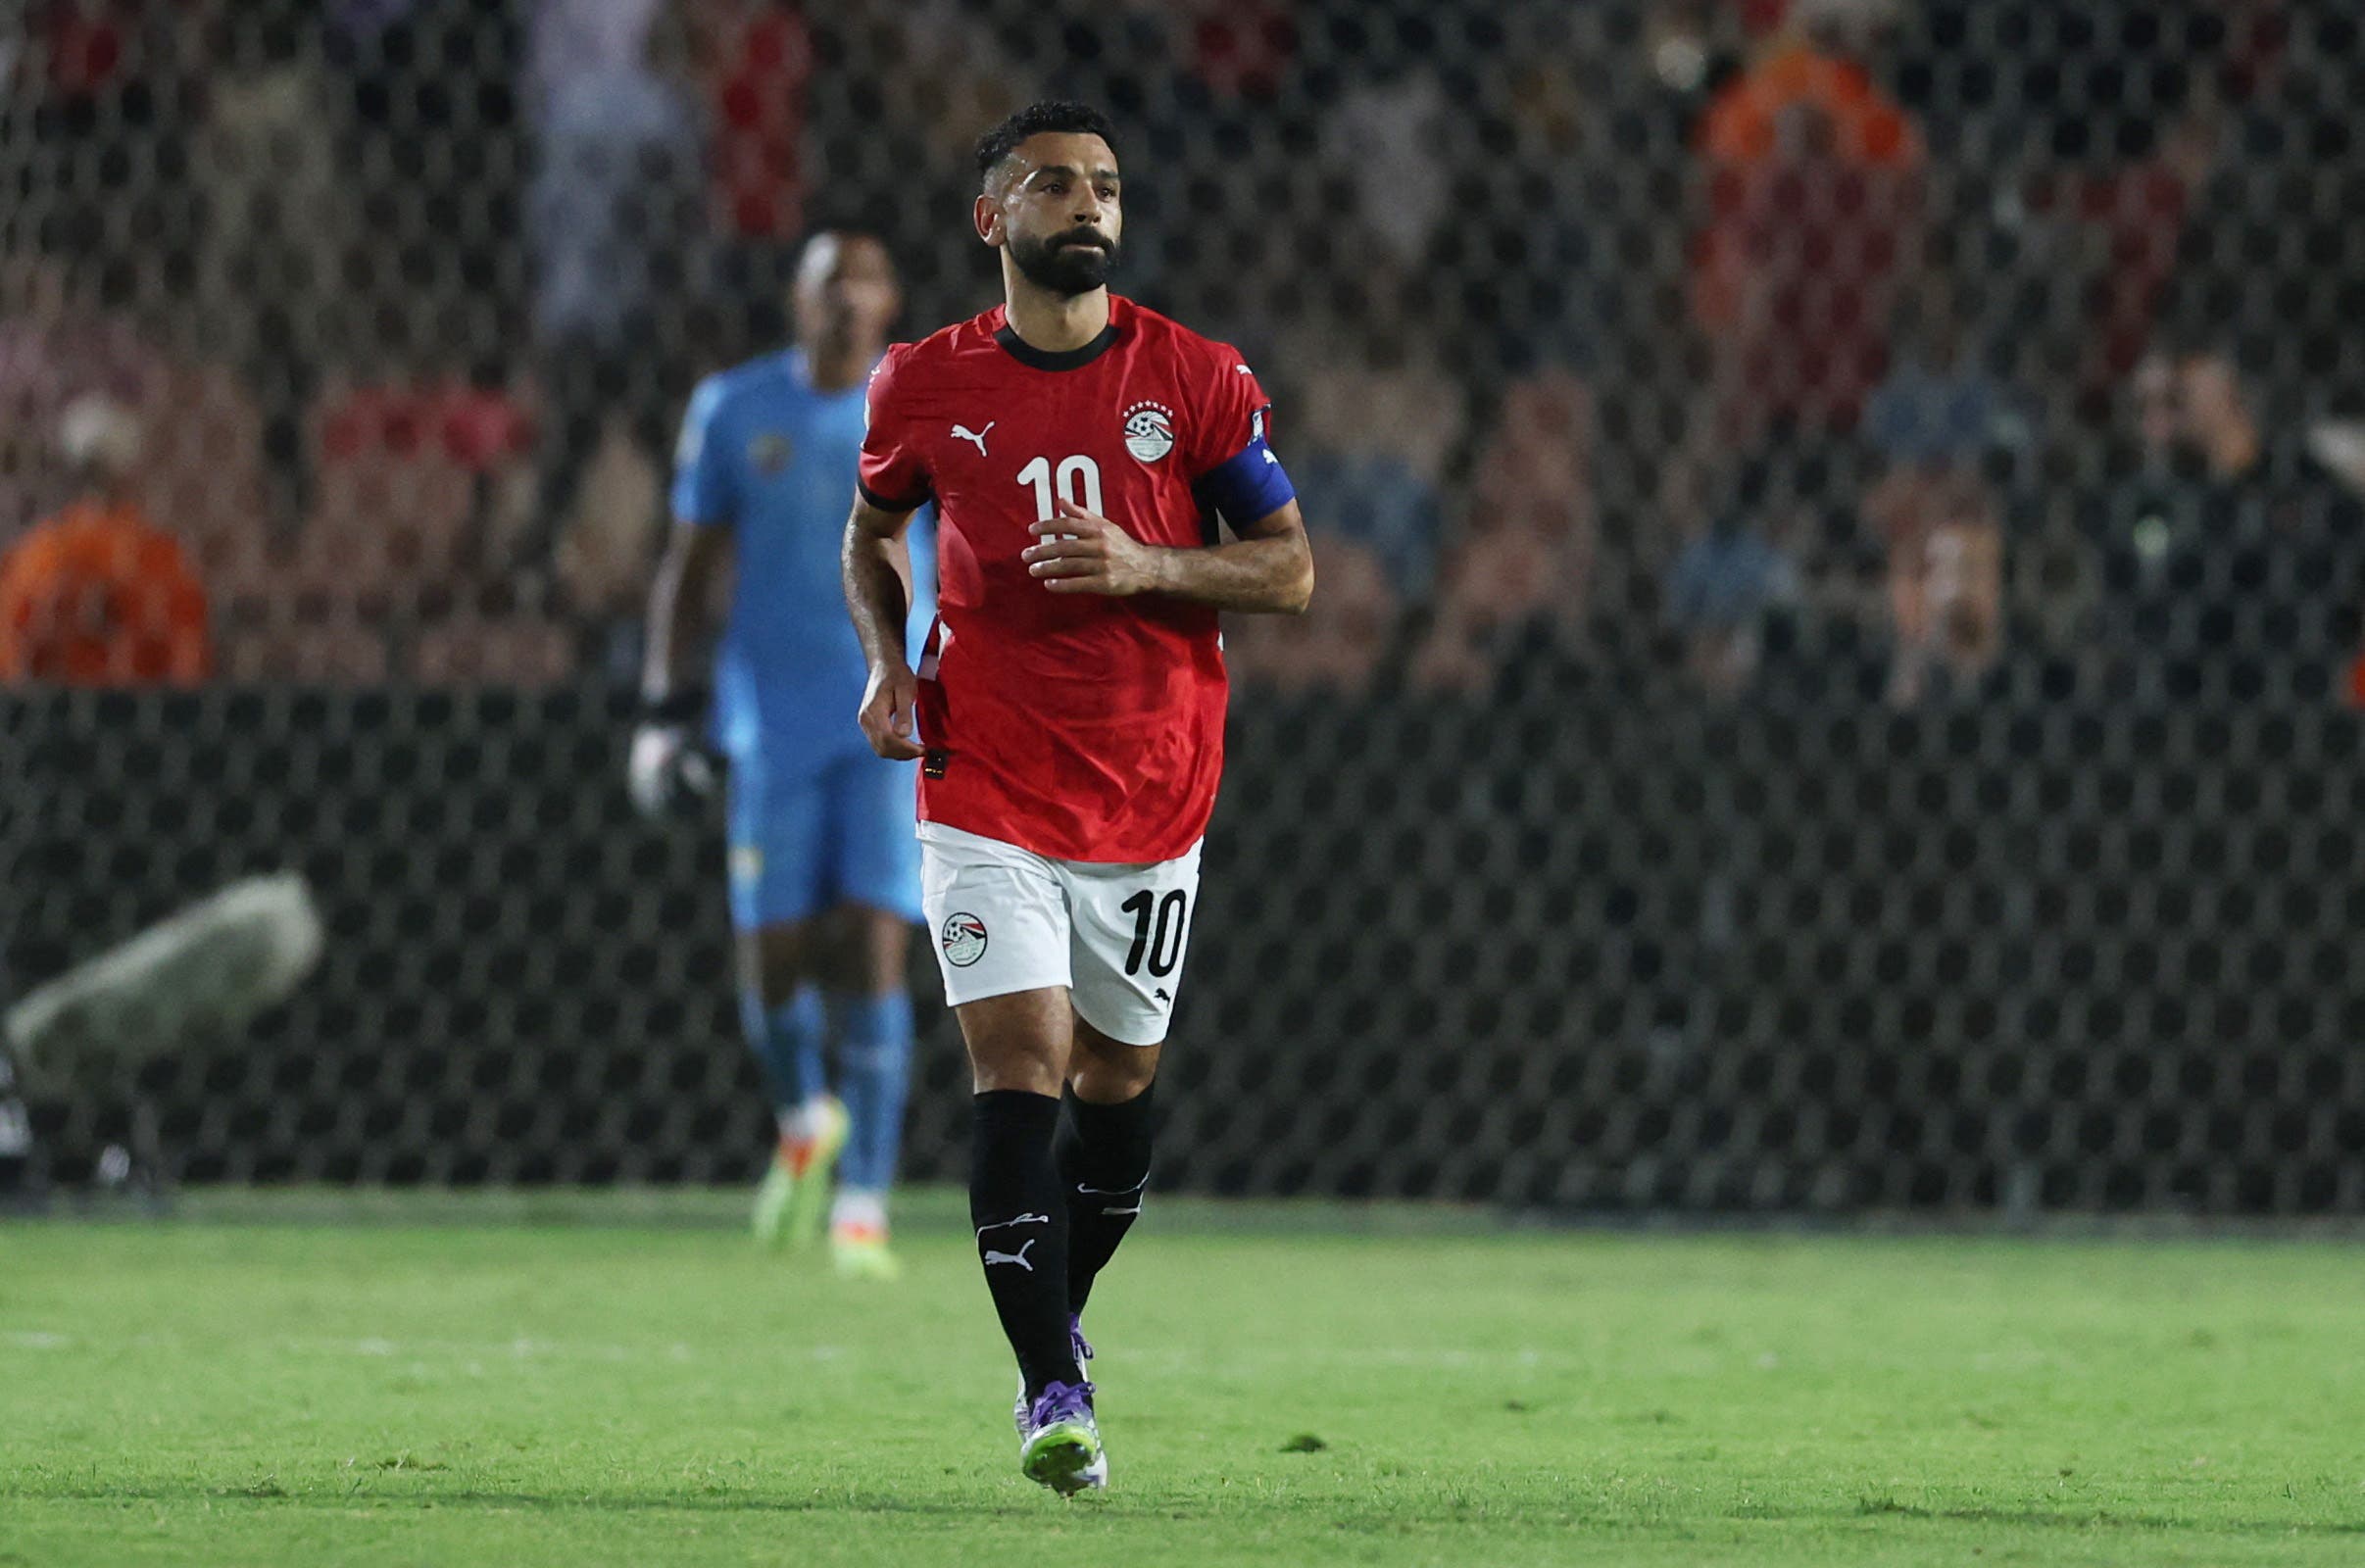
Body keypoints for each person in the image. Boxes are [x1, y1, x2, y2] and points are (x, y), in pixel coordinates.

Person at [841, 101, 1312, 1494]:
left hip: (1154, 798)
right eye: (1052, 185)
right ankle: (1052, 1392)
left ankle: (1060, 1326)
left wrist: (1147, 565)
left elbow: (1288, 570)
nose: (1085, 205)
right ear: (992, 219)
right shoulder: (920, 386)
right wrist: (884, 664)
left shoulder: (1197, 379)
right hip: (983, 781)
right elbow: (870, 535)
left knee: (1115, 1099)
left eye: (1103, 184)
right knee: (1020, 1074)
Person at [632, 228, 934, 1280]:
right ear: (796, 301)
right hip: (766, 724)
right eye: (826, 285)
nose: (846, 301)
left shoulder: (922, 406)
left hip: (888, 719)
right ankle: (804, 1117)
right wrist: (663, 713)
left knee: (874, 941)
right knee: (774, 964)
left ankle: (862, 1205)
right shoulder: (732, 411)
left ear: (890, 300)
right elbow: (688, 567)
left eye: (864, 280)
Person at [0, 395, 208, 686]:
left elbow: (12, 656)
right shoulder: (158, 554)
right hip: (142, 716)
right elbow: (188, 662)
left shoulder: (40, 552)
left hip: (54, 716)